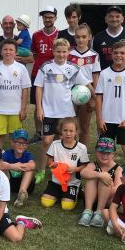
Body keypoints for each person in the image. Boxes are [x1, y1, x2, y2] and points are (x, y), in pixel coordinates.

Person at [35, 38, 93, 182]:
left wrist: (95, 95)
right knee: (46, 141)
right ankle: (41, 170)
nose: (61, 54)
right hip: (48, 112)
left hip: (67, 113)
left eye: (64, 52)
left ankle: (62, 169)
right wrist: (39, 108)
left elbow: (86, 84)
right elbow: (39, 88)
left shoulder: (73, 68)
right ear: (53, 51)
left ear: (68, 52)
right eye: (58, 51)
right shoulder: (46, 67)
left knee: (64, 142)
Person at [94, 40, 125, 165]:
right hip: (106, 121)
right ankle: (104, 177)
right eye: (115, 53)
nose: (118, 55)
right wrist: (99, 118)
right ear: (111, 54)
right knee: (104, 150)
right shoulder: (104, 73)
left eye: (122, 53)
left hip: (123, 120)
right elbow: (98, 97)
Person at [0, 39, 31, 149]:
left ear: (16, 52)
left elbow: (25, 89)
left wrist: (23, 108)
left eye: (11, 50)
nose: (8, 52)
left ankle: (13, 163)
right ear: (1, 52)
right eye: (5, 49)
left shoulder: (21, 68)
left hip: (16, 110)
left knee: (16, 138)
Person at [40, 117, 89, 211]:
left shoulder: (81, 148)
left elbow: (85, 166)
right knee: (45, 202)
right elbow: (49, 161)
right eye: (65, 130)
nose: (68, 133)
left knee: (66, 206)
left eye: (71, 131)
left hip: (71, 183)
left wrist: (75, 169)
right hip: (56, 182)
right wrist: (52, 164)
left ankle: (77, 191)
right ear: (60, 131)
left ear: (76, 132)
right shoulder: (55, 144)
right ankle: (57, 192)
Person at [67, 24, 102, 145]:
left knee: (85, 126)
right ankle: (69, 150)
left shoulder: (94, 55)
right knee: (70, 125)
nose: (80, 40)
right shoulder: (69, 54)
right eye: (77, 37)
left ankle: (83, 153)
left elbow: (95, 77)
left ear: (90, 37)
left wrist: (95, 98)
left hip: (87, 93)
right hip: (70, 93)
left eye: (83, 36)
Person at [77, 137, 123, 228]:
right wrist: (100, 175)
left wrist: (107, 182)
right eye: (101, 152)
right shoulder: (93, 165)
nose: (104, 156)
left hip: (107, 202)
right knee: (93, 177)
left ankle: (99, 214)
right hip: (91, 200)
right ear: (96, 151)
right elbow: (83, 173)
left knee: (106, 179)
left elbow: (119, 188)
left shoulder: (118, 169)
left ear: (113, 154)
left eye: (108, 153)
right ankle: (87, 211)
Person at [30, 6, 59, 142]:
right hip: (38, 73)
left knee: (54, 102)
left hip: (55, 75)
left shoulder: (59, 34)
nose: (48, 19)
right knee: (38, 104)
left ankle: (56, 132)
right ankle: (38, 132)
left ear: (55, 18)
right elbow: (35, 55)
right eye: (45, 17)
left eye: (50, 17)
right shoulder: (36, 35)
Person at [0, 129, 35, 207]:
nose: (21, 145)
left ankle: (21, 194)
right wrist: (13, 166)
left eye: (24, 143)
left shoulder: (27, 155)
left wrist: (20, 166)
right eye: (18, 142)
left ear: (27, 144)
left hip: (24, 184)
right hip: (10, 183)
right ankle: (3, 190)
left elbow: (32, 165)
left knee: (30, 170)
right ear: (12, 143)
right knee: (3, 166)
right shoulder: (7, 154)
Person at [92, 6, 125, 71]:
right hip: (104, 78)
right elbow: (94, 62)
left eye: (117, 16)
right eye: (111, 16)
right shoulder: (98, 37)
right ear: (106, 19)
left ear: (122, 19)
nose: (114, 19)